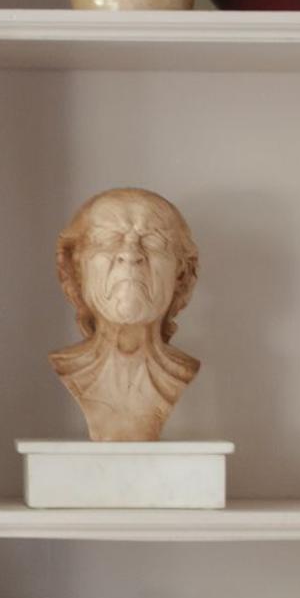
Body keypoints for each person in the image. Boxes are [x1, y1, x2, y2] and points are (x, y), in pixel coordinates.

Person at [50, 188, 200, 441]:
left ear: (182, 274)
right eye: (107, 240)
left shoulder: (182, 372)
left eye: (153, 241)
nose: (130, 255)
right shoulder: (66, 367)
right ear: (74, 269)